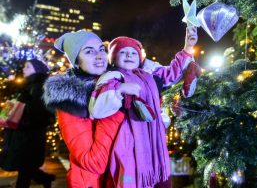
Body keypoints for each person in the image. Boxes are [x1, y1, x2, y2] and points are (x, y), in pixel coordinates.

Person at [88, 26, 198, 188]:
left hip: (152, 137)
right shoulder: (112, 76)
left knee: (154, 178)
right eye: (122, 52)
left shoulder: (149, 76)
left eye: (133, 53)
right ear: (113, 58)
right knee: (128, 177)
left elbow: (172, 74)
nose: (129, 55)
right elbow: (98, 108)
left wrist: (188, 47)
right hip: (127, 138)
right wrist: (120, 89)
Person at [43, 30, 141, 187]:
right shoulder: (71, 102)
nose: (99, 55)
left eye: (101, 49)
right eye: (89, 51)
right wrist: (114, 104)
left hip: (122, 179)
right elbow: (93, 163)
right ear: (76, 61)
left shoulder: (116, 81)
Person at [0, 59, 55, 188]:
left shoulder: (39, 87)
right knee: (26, 168)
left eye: (28, 67)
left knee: (25, 170)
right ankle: (45, 179)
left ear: (37, 70)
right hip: (24, 136)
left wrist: (19, 121)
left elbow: (38, 113)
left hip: (29, 137)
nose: (24, 69)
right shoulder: (29, 86)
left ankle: (45, 179)